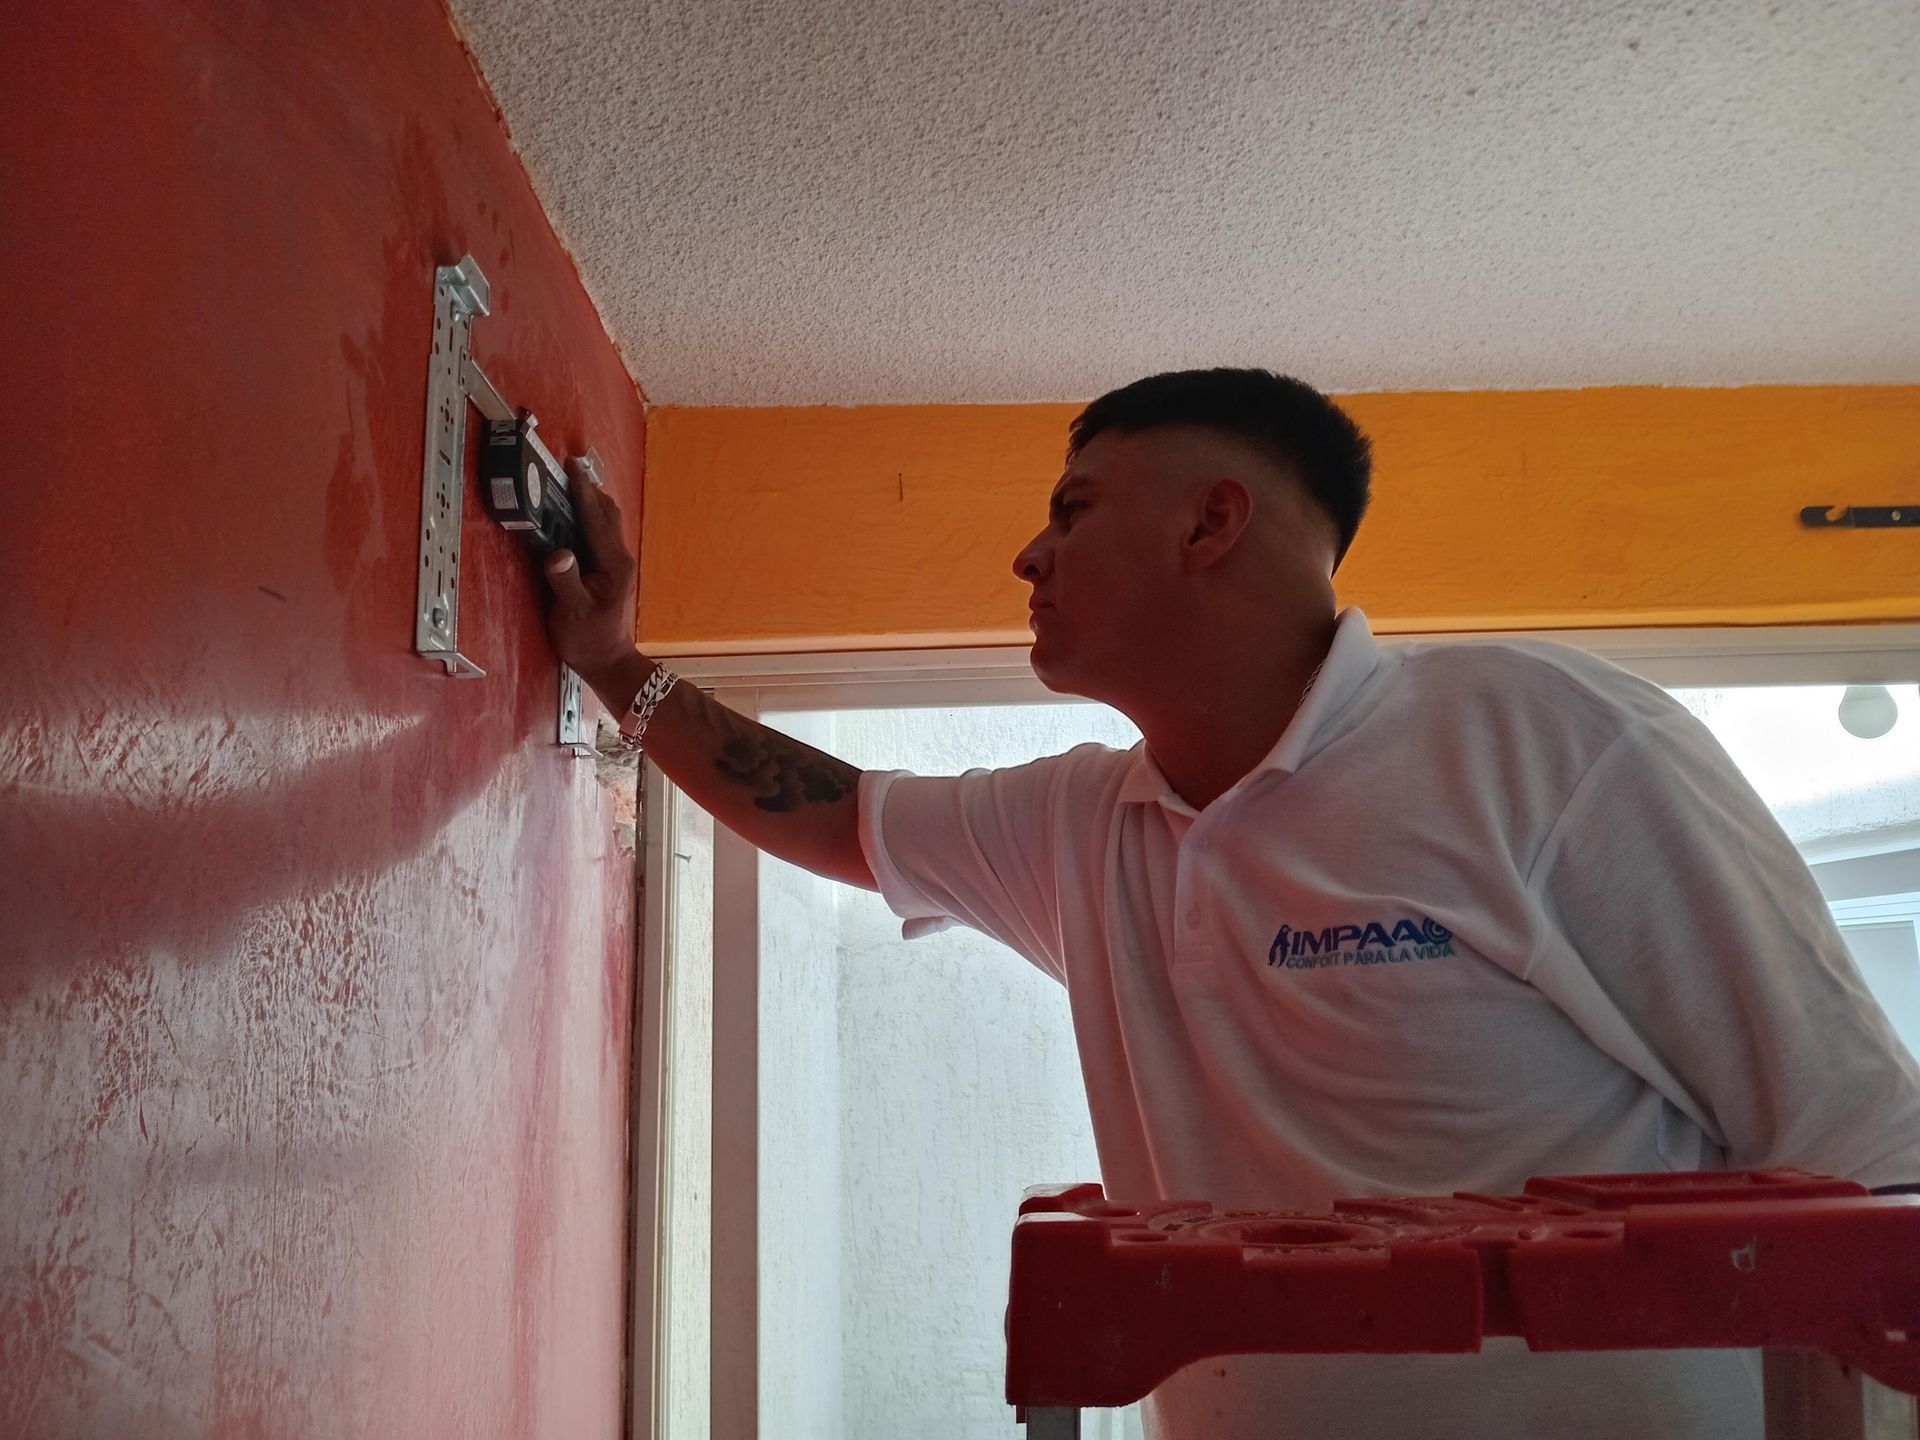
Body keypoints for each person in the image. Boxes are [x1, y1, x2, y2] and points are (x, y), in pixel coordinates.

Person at [544, 368, 1920, 1440]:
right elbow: (830, 813)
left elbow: (1867, 1158)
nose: (1028, 555)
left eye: (1073, 509)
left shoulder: (1543, 742)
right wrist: (611, 664)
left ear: (1212, 522)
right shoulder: (1086, 826)